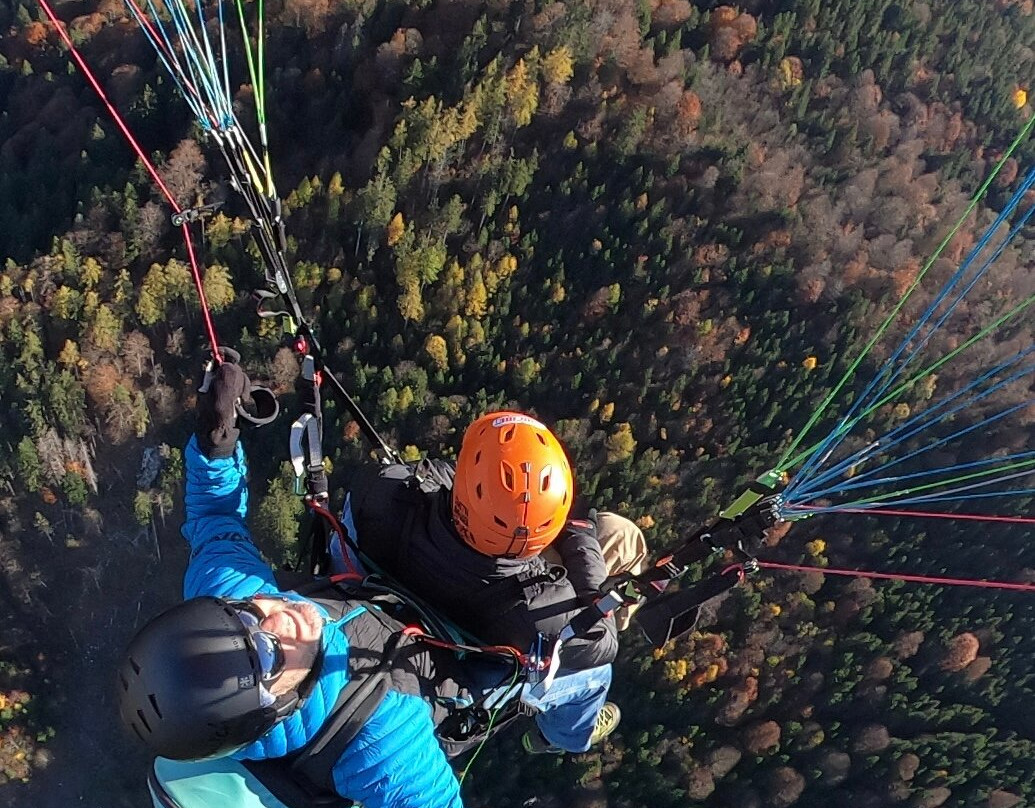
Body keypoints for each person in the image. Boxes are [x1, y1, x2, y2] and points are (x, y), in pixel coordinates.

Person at [117, 351, 482, 808]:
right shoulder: (380, 746)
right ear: (274, 711)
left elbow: (214, 519)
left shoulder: (228, 595)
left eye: (248, 614)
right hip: (456, 665)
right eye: (268, 656)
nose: (276, 618)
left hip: (368, 591)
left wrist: (216, 441)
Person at [342, 411, 648, 755]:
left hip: (381, 599)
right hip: (461, 675)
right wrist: (578, 534)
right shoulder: (541, 608)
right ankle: (562, 738)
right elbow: (602, 640)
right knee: (597, 675)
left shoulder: (382, 492)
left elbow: (429, 478)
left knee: (618, 534)